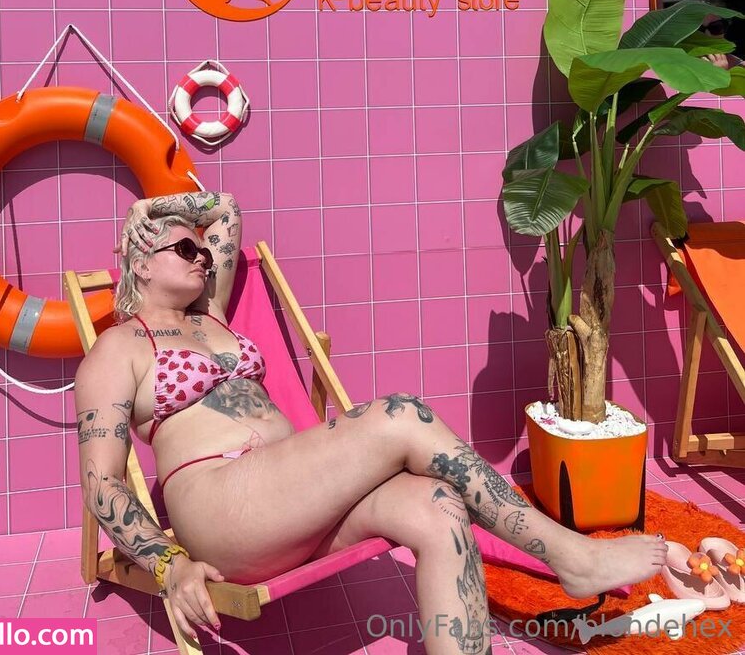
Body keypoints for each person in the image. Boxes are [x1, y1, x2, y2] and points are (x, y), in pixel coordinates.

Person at [75, 190, 667, 653]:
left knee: (436, 506)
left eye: (204, 252)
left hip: (292, 503)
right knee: (401, 413)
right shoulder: (119, 348)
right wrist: (168, 562)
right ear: (140, 263)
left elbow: (224, 210)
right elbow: (102, 482)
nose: (203, 256)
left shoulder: (214, 314)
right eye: (186, 250)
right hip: (223, 509)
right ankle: (568, 555)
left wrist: (158, 211)